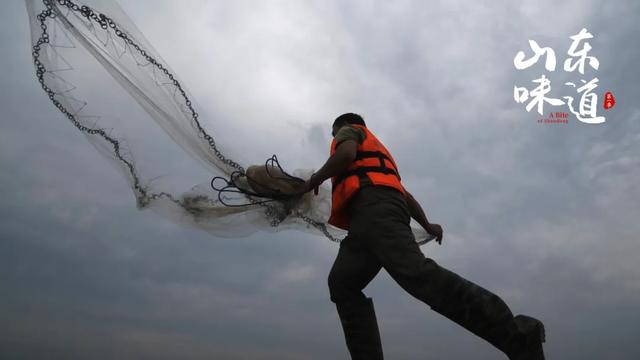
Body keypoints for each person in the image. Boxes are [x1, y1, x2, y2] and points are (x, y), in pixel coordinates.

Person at [304, 113, 545, 360]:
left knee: (417, 273)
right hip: (367, 220)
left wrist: (316, 177)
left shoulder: (349, 130)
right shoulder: (376, 153)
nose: (334, 138)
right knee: (342, 283)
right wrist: (427, 224)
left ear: (341, 126)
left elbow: (345, 156)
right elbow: (403, 195)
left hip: (373, 210)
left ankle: (516, 334)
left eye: (334, 134)